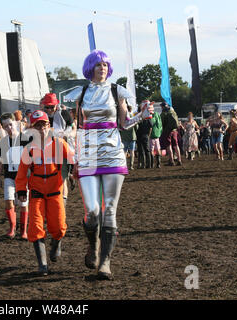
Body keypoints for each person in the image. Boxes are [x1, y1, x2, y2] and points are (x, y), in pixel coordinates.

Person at [74, 50, 150, 280]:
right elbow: (77, 126)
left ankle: (105, 262)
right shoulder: (82, 92)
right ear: (90, 67)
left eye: (105, 64)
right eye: (98, 64)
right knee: (93, 211)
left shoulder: (117, 91)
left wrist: (143, 115)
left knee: (109, 210)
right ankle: (93, 245)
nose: (102, 68)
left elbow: (125, 123)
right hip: (88, 153)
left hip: (112, 153)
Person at [15, 110, 73, 275]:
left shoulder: (59, 144)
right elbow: (21, 173)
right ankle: (42, 265)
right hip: (36, 192)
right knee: (35, 227)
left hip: (55, 190)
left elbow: (72, 158)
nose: (41, 129)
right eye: (37, 125)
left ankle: (56, 243)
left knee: (60, 226)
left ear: (49, 126)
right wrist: (21, 191)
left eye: (44, 124)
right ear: (32, 129)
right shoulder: (29, 150)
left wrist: (74, 171)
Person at [0, 113, 29, 240]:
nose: (9, 128)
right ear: (3, 128)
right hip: (9, 176)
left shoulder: (25, 139)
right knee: (8, 200)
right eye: (6, 126)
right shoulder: (4, 142)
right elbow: (1, 161)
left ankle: (23, 231)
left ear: (16, 123)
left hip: (23, 177)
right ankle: (12, 228)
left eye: (10, 124)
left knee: (23, 203)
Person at [41, 93, 74, 206]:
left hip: (62, 149)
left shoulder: (64, 113)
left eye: (52, 107)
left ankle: (62, 206)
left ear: (56, 105)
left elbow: (71, 126)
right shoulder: (41, 116)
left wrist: (66, 134)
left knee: (61, 178)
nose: (50, 109)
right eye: (47, 107)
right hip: (46, 152)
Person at [136, 101, 153, 169]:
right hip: (145, 135)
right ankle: (149, 165)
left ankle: (143, 165)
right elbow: (151, 127)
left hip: (139, 135)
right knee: (147, 150)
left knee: (141, 150)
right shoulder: (147, 117)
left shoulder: (137, 117)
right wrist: (148, 135)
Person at [149, 103, 163, 168]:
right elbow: (160, 125)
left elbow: (151, 123)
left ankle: (152, 164)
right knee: (158, 149)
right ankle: (158, 163)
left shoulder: (150, 116)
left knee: (151, 149)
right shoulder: (157, 114)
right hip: (157, 134)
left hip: (151, 135)